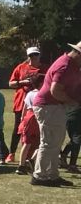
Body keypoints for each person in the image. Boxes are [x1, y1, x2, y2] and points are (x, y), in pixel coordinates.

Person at [26, 40, 81, 187]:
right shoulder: (65, 65)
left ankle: (52, 174)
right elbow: (55, 90)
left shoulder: (73, 65)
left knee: (55, 142)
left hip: (55, 107)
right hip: (49, 106)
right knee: (49, 142)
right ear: (78, 54)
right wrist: (72, 101)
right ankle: (40, 176)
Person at [6, 46, 45, 164]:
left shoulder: (44, 68)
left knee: (39, 130)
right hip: (21, 102)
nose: (34, 57)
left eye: (36, 55)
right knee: (18, 129)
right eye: (32, 55)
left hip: (38, 103)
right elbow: (11, 83)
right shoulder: (21, 67)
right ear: (28, 57)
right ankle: (11, 153)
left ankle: (32, 156)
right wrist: (22, 82)